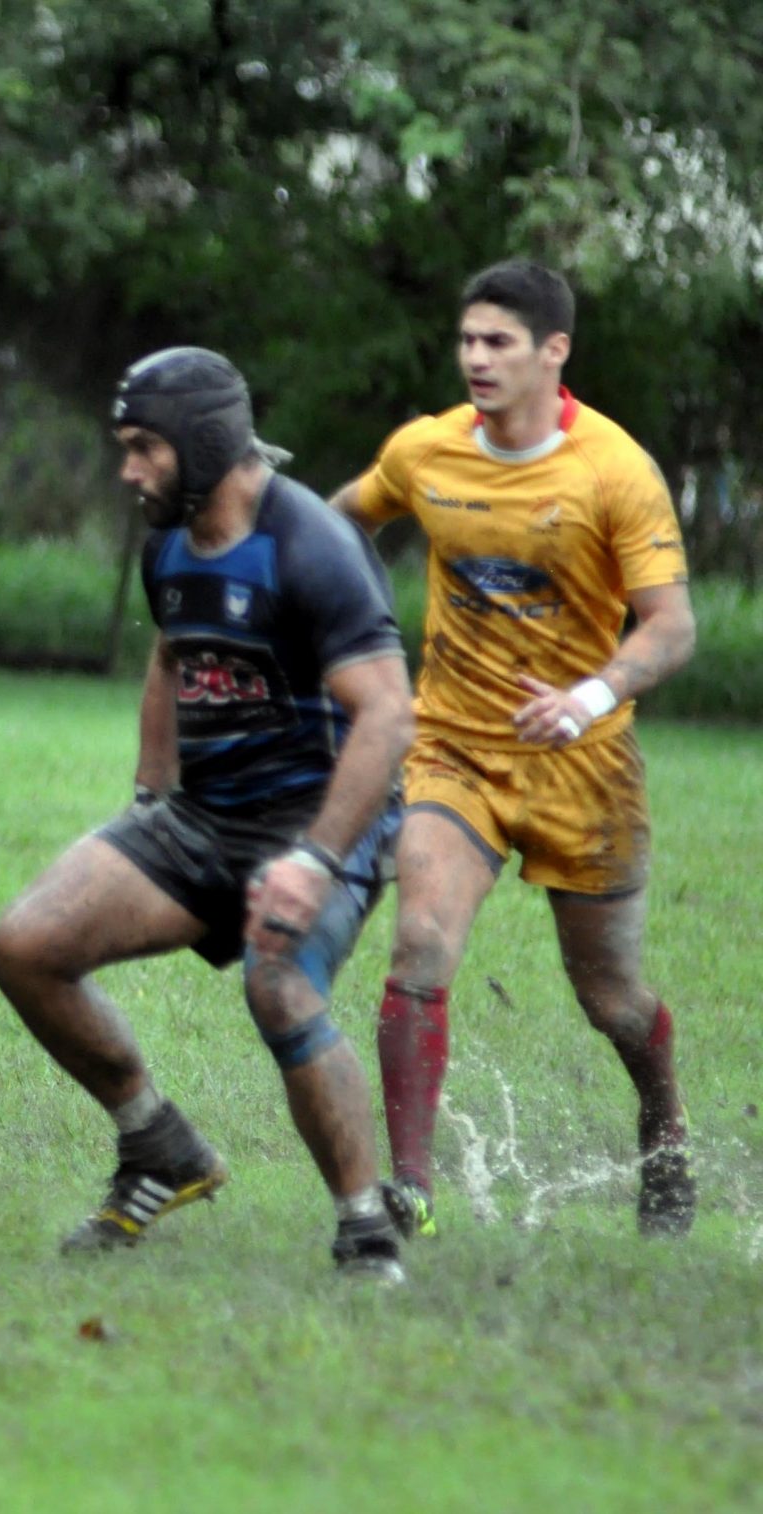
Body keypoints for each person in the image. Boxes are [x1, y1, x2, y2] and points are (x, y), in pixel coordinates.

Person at [0, 347, 417, 1280]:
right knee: (25, 945)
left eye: (145, 447)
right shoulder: (168, 543)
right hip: (208, 816)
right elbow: (172, 658)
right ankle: (159, 1148)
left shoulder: (311, 547)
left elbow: (388, 714)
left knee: (279, 983)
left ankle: (366, 1228)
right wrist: (149, 802)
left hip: (323, 819)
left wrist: (312, 859)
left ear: (206, 443)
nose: (127, 469)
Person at [330, 261, 699, 1239]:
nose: (476, 359)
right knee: (420, 941)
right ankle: (406, 1190)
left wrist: (588, 695)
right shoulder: (428, 451)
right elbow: (338, 527)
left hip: (586, 763)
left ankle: (662, 1122)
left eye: (498, 342)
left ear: (554, 352)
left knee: (609, 996)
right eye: (467, 341)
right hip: (454, 748)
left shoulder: (613, 469)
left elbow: (669, 628)